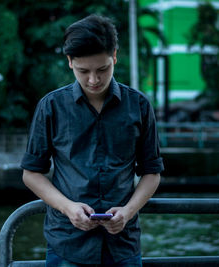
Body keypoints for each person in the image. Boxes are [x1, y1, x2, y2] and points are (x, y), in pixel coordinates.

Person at [21, 14, 164, 267]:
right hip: (67, 243)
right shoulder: (51, 106)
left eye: (103, 69)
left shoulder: (139, 106)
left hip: (123, 244)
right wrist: (68, 208)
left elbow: (151, 173)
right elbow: (31, 173)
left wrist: (128, 212)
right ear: (69, 62)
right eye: (83, 71)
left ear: (115, 57)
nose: (93, 80)